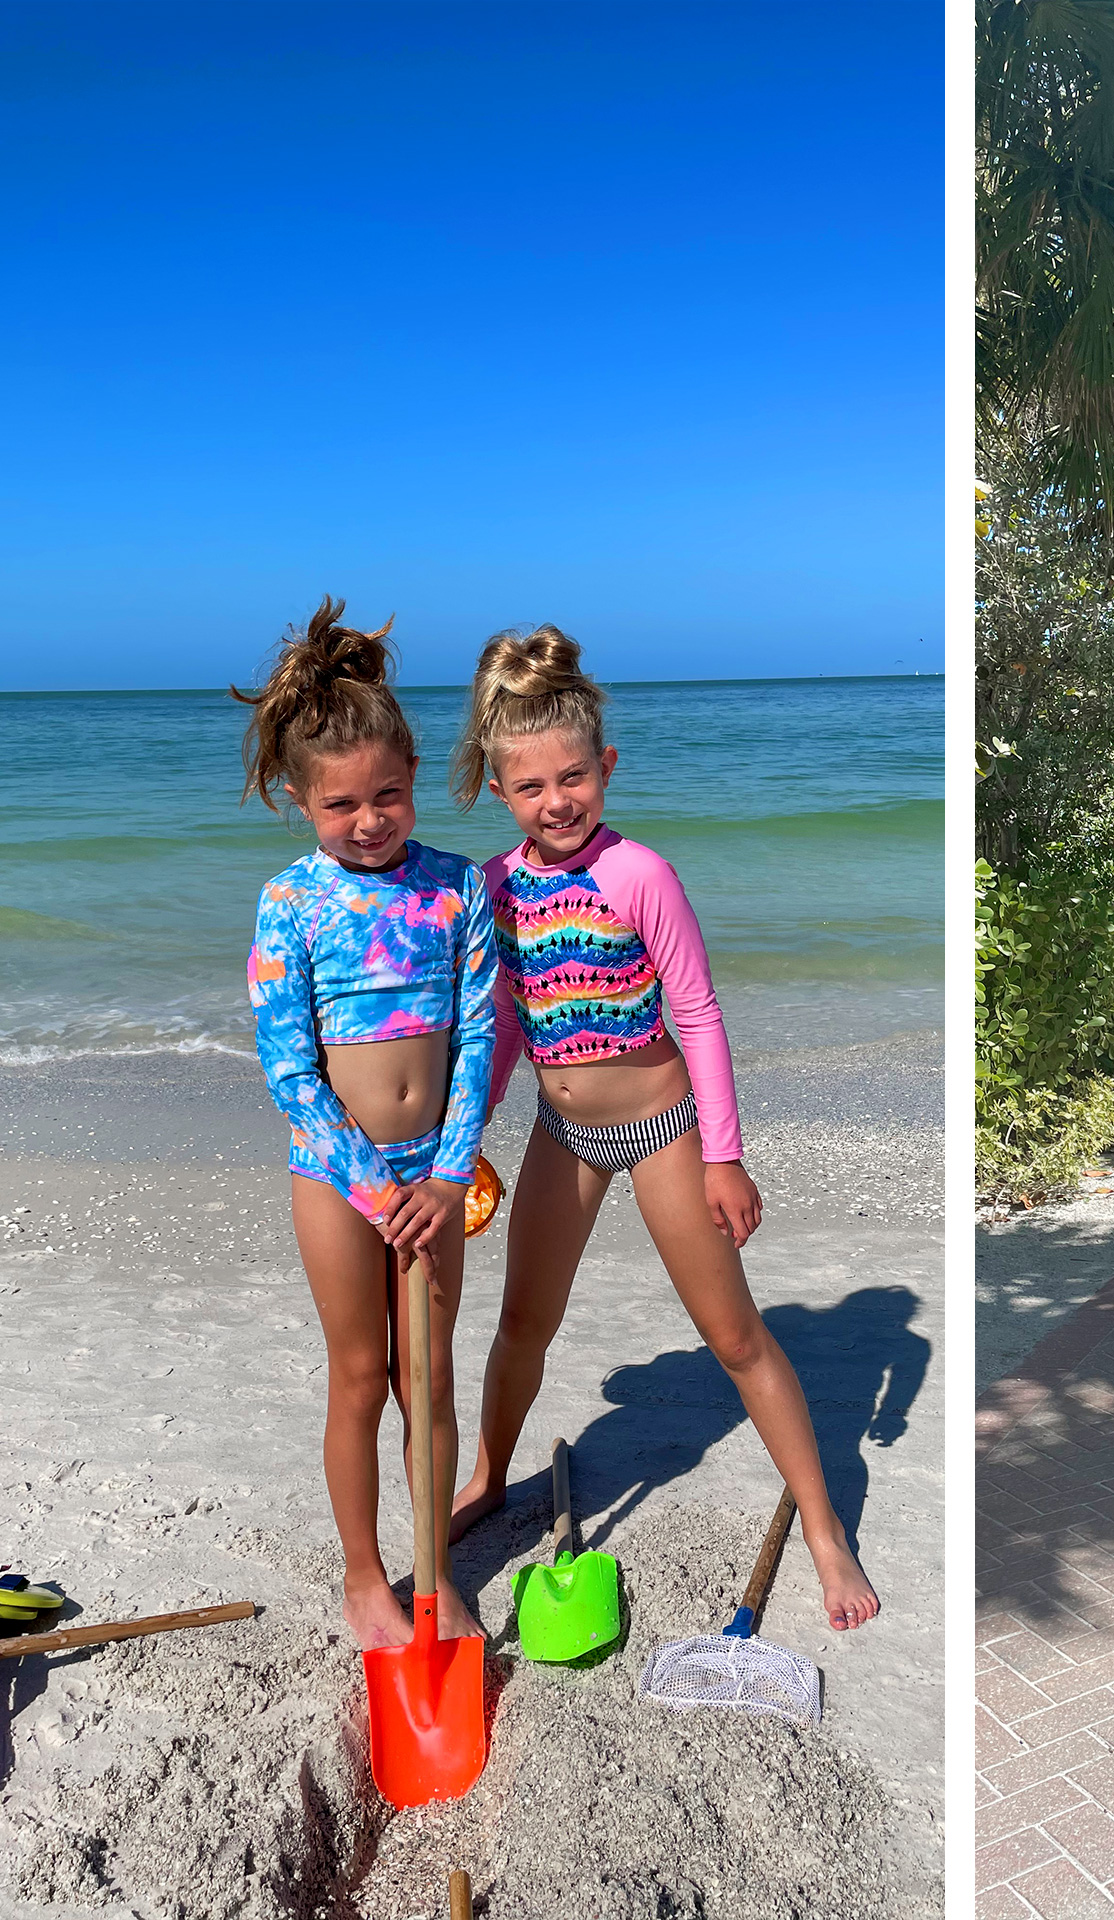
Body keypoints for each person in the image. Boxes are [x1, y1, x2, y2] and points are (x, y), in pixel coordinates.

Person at [445, 628, 879, 1630]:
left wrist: (723, 1154)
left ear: (606, 767)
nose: (556, 802)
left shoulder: (641, 874)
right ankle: (489, 1476)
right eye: (530, 786)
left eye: (572, 777)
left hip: (666, 1128)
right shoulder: (496, 888)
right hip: (562, 1136)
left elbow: (699, 1012)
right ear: (497, 788)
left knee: (732, 1336)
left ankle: (822, 1530)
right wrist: (466, 1133)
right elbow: (508, 1022)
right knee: (522, 1323)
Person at [237, 599, 497, 1650]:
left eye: (388, 795)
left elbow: (478, 1036)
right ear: (301, 798)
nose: (370, 820)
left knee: (425, 1378)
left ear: (415, 777)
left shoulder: (458, 888)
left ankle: (435, 1572)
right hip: (338, 1181)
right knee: (358, 1374)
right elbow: (286, 1064)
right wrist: (374, 1184)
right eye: (342, 804)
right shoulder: (289, 903)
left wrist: (441, 1174)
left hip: (432, 1180)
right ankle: (362, 1577)